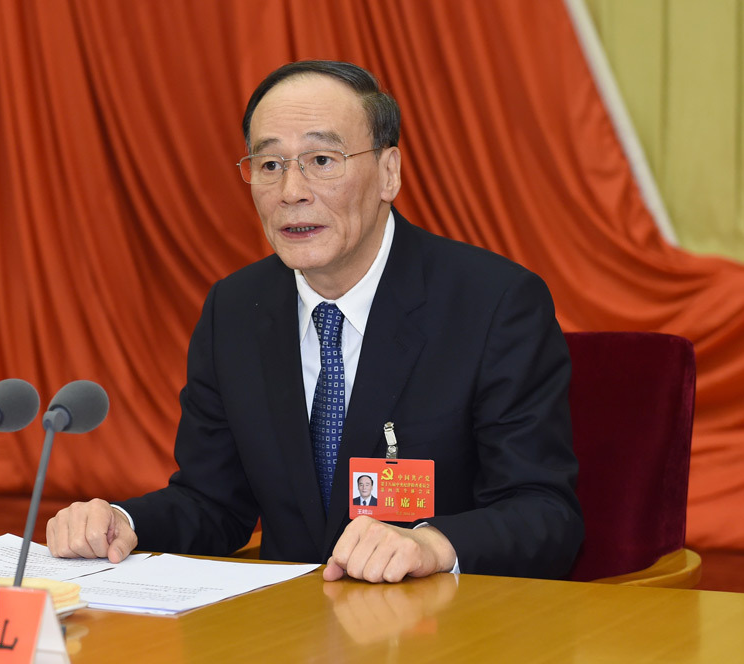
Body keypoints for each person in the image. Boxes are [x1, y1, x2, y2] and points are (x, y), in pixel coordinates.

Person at [47, 60, 584, 583]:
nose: (291, 192)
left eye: (322, 160)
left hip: (440, 621)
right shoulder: (235, 309)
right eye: (269, 165)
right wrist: (125, 522)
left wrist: (433, 544)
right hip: (288, 623)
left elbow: (544, 512)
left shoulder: (492, 303)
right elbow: (214, 503)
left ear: (389, 172)